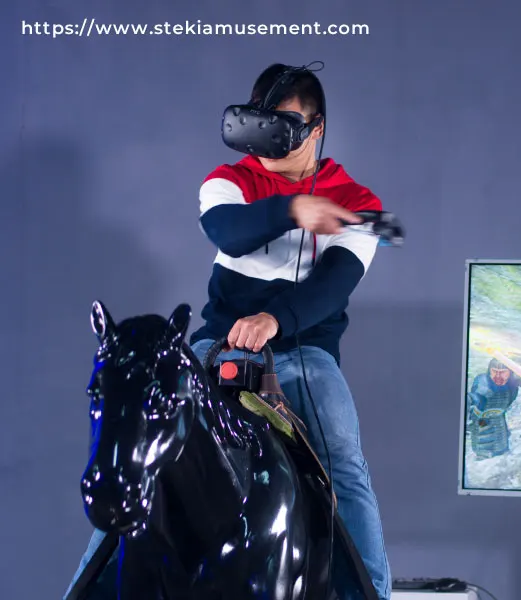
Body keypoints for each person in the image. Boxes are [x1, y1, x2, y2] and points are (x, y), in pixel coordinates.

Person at [64, 64, 391, 600]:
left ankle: (371, 590)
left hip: (303, 352)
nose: (267, 142)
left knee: (343, 460)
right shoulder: (229, 181)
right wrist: (293, 208)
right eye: (261, 124)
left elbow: (333, 286)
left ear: (316, 130)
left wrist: (274, 320)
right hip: (215, 344)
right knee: (140, 438)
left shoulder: (357, 202)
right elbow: (228, 232)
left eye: (284, 127)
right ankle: (86, 585)